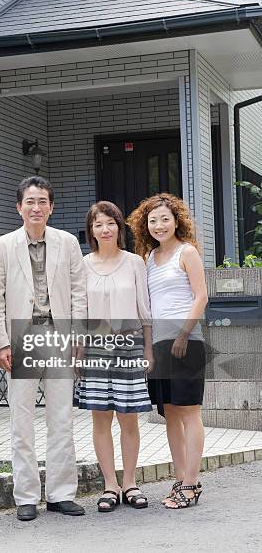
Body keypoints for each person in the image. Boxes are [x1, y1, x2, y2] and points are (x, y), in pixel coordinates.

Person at [0, 176, 87, 521]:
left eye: (42, 201)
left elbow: (79, 291)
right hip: (21, 335)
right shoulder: (1, 246)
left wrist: (77, 337)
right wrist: (0, 342)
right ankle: (26, 496)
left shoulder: (68, 243)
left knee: (61, 418)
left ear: (51, 206)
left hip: (58, 335)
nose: (36, 207)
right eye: (30, 201)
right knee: (22, 420)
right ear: (19, 207)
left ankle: (61, 494)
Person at [127, 193, 208, 509]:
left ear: (177, 221)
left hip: (186, 342)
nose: (159, 225)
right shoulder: (148, 259)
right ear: (145, 226)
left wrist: (184, 335)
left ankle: (191, 483)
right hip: (159, 344)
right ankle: (179, 479)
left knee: (189, 411)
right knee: (170, 413)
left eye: (165, 219)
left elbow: (201, 297)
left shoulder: (187, 253)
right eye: (153, 220)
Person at [75, 201, 153, 512]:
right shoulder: (82, 264)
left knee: (128, 418)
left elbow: (145, 311)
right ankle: (109, 485)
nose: (105, 229)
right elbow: (78, 312)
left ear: (119, 228)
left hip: (129, 345)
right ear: (90, 230)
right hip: (93, 347)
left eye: (110, 223)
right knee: (100, 419)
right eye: (98, 224)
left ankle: (130, 482)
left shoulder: (135, 262)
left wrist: (148, 350)